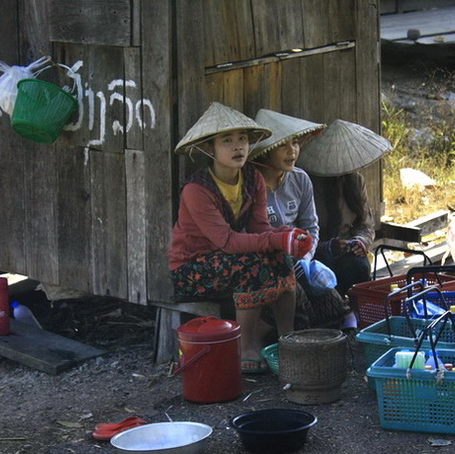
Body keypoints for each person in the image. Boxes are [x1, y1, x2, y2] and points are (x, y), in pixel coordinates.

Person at [168, 102, 313, 374]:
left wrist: (286, 235)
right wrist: (276, 240)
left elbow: (259, 227)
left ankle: (288, 339)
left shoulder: (253, 179)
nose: (238, 147)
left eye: (243, 139)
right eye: (227, 141)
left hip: (228, 257)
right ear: (210, 149)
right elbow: (228, 242)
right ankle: (246, 346)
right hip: (191, 267)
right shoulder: (196, 190)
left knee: (280, 257)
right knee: (249, 263)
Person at [249, 109, 354, 330]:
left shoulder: (300, 179)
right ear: (266, 152)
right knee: (300, 302)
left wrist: (306, 256)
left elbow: (310, 226)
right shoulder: (250, 186)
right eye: (282, 145)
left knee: (333, 305)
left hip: (300, 257)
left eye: (295, 143)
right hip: (268, 262)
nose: (292, 151)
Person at [298, 119, 392, 296]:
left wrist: (359, 242)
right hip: (316, 252)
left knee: (358, 267)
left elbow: (365, 224)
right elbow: (301, 233)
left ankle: (357, 316)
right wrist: (328, 246)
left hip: (347, 250)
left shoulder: (354, 181)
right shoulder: (306, 182)